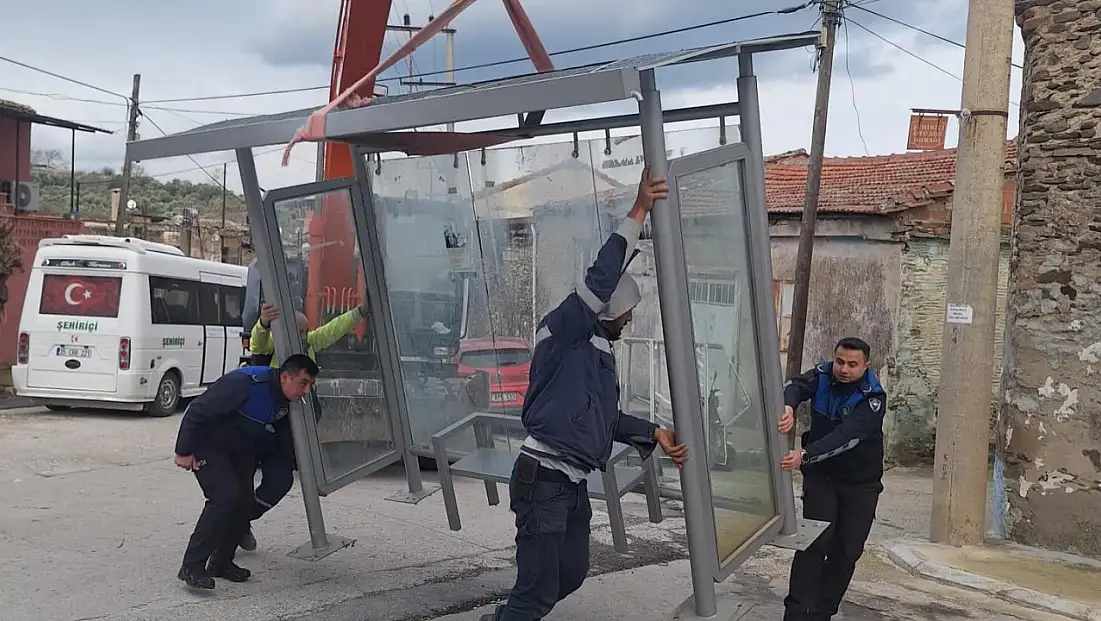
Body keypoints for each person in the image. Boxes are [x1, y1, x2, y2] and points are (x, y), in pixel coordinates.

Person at [482, 168, 688, 621]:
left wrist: (655, 431)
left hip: (571, 485)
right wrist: (637, 212)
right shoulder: (565, 331)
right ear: (604, 311)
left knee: (570, 575)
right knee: (536, 592)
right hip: (544, 480)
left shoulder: (595, 352)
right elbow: (601, 279)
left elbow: (606, 420)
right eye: (627, 313)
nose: (630, 321)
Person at [173, 354, 319, 590]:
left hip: (240, 452)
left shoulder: (286, 401)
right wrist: (184, 450)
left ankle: (221, 562)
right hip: (209, 445)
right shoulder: (246, 383)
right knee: (225, 498)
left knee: (242, 504)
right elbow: (197, 410)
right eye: (303, 383)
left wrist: (312, 476)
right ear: (285, 376)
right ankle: (191, 565)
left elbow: (284, 445)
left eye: (311, 385)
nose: (306, 391)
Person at [239, 301, 369, 551]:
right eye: (298, 333)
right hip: (260, 426)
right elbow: (258, 342)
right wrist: (264, 322)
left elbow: (333, 329)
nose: (302, 338)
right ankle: (233, 527)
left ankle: (241, 520)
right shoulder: (272, 345)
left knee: (279, 482)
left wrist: (360, 312)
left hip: (288, 429)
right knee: (238, 483)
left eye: (304, 333)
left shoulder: (309, 343)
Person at [777, 337, 887, 621]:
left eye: (852, 364)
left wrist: (805, 454)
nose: (844, 369)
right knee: (813, 544)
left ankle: (821, 612)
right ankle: (796, 613)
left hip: (860, 484)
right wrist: (788, 406)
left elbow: (846, 438)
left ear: (866, 365)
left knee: (846, 552)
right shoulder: (823, 375)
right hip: (822, 479)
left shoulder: (872, 397)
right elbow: (794, 385)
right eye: (840, 361)